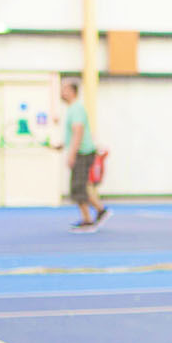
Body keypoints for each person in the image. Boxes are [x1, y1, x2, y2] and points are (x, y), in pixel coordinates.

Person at [55, 78, 108, 232]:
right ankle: (100, 210)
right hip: (81, 152)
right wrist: (62, 145)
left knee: (78, 187)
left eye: (64, 89)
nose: (61, 92)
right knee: (82, 186)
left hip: (83, 153)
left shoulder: (76, 108)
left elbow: (78, 132)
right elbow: (73, 134)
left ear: (72, 91)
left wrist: (71, 154)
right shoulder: (72, 109)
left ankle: (88, 220)